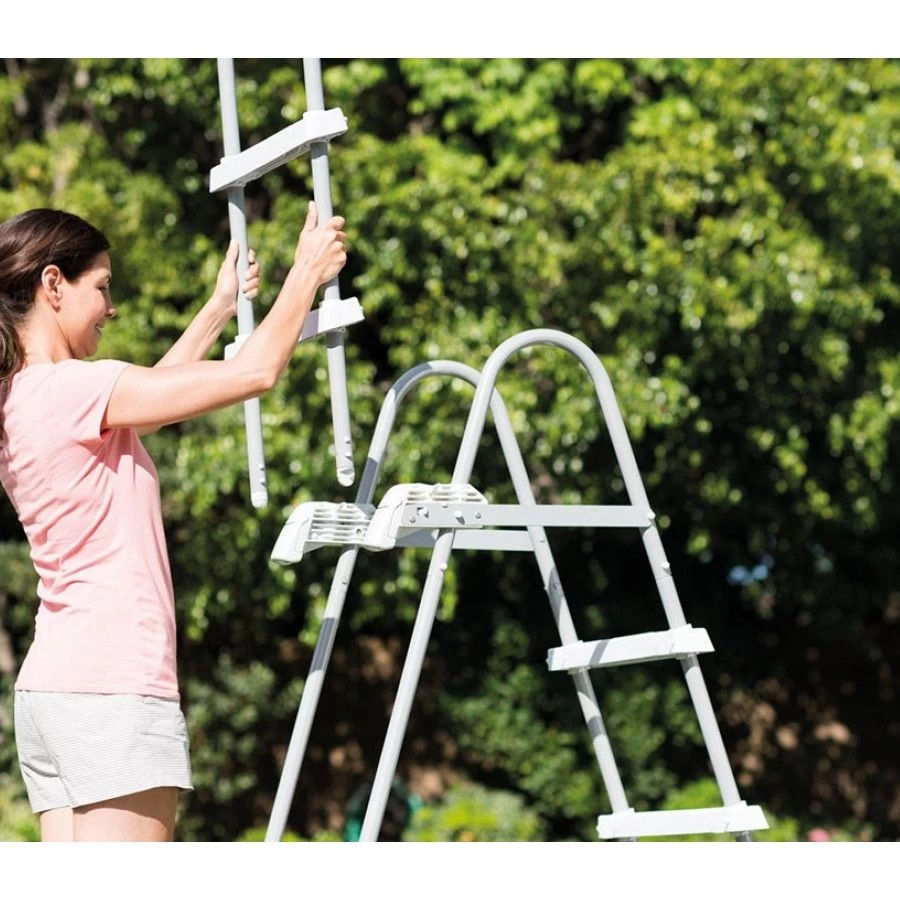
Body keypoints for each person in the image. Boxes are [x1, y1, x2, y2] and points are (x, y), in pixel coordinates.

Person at [0, 202, 347, 841]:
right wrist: (306, 272)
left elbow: (153, 403)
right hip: (112, 685)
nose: (111, 308)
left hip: (54, 690)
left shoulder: (21, 398)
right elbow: (255, 373)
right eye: (102, 287)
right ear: (53, 284)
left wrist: (218, 307)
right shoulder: (72, 387)